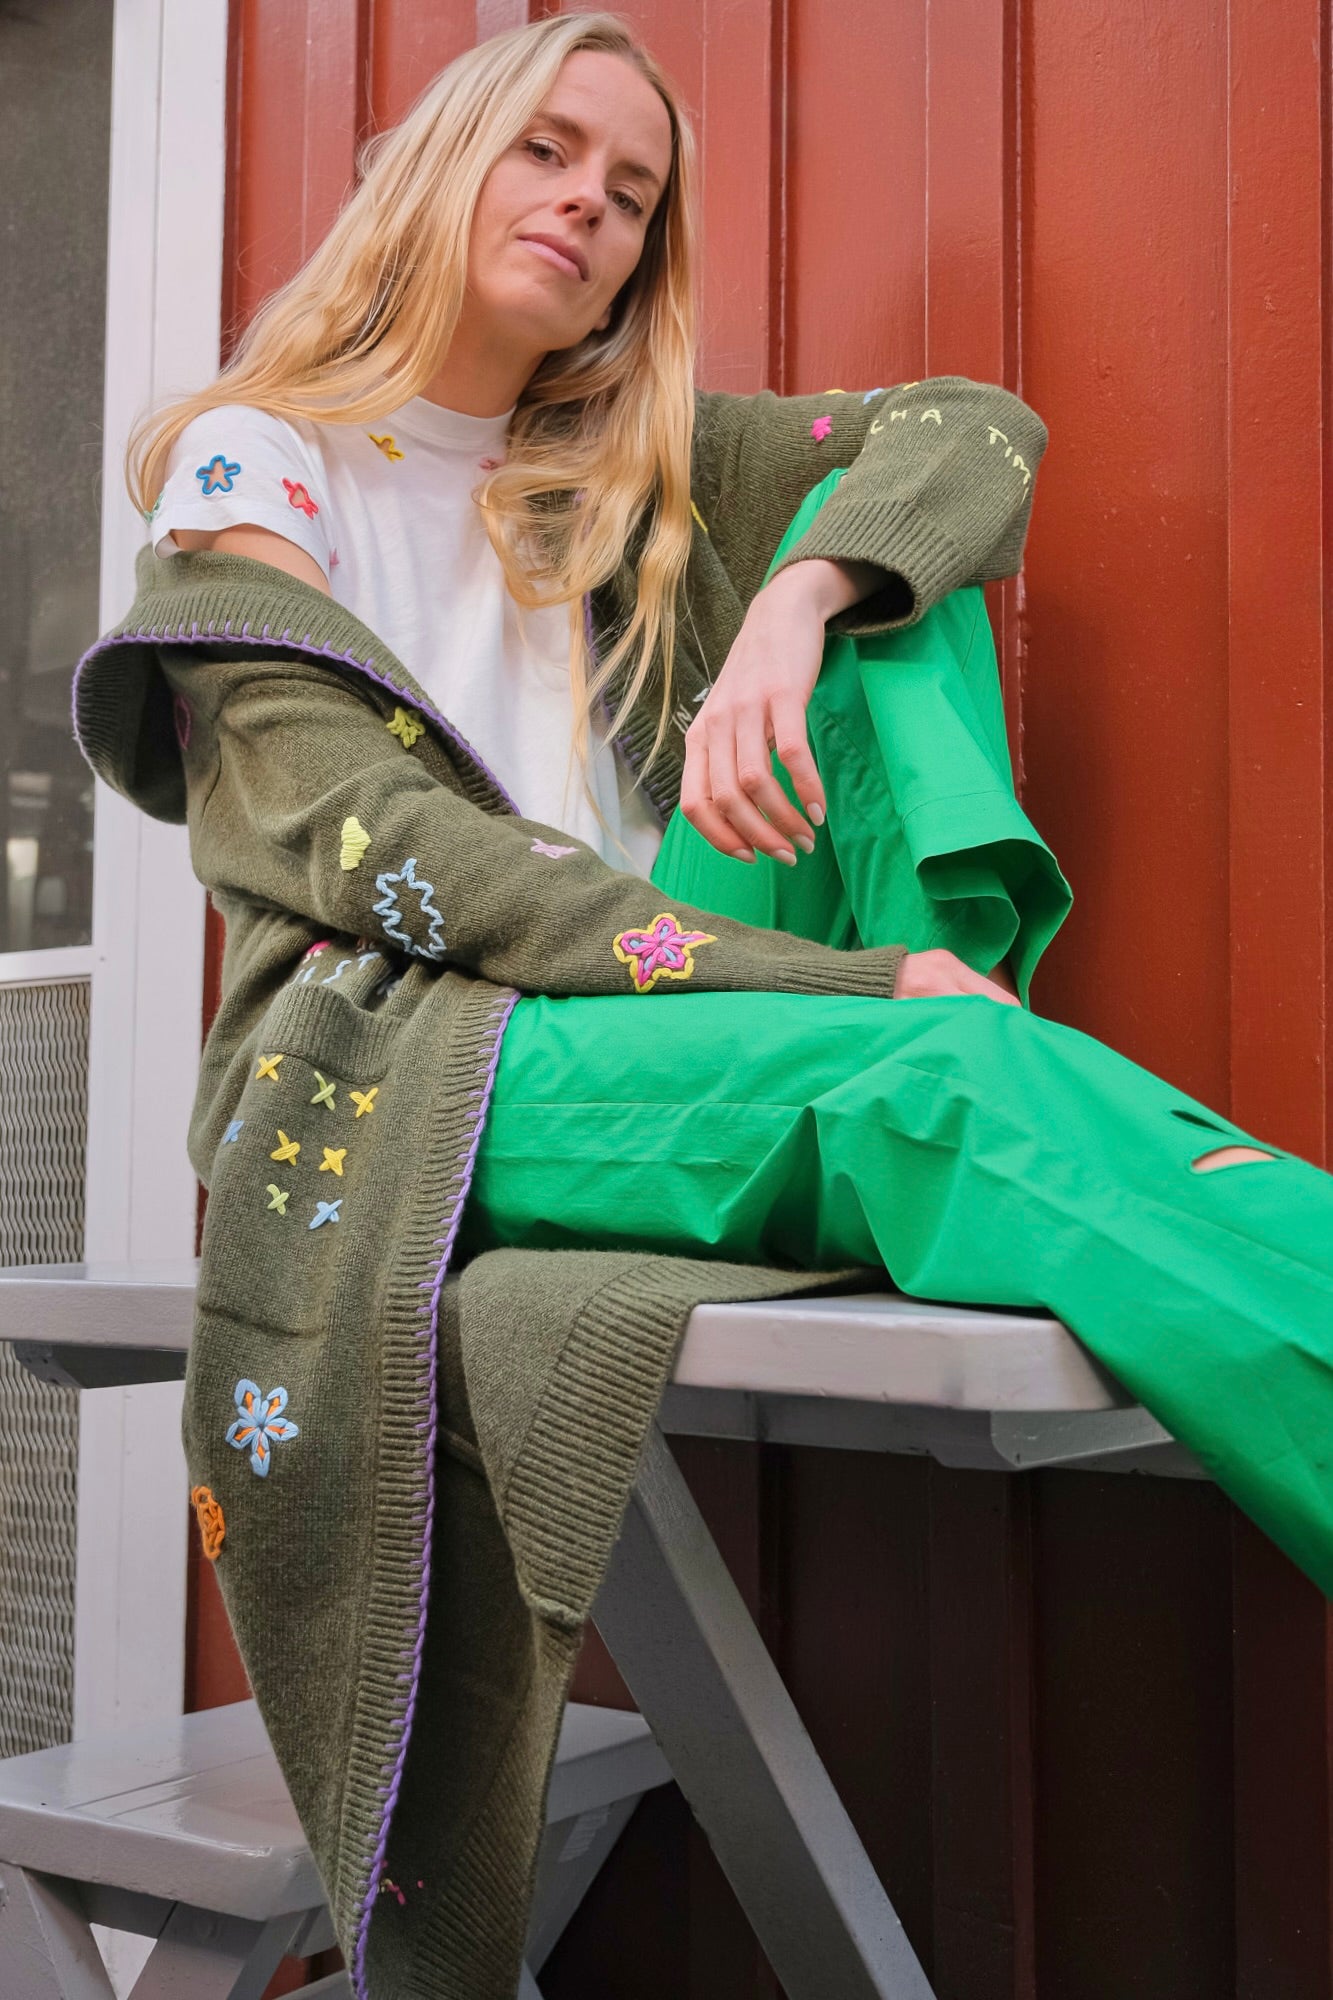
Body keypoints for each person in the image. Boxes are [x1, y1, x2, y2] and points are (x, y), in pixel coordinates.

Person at [73, 13, 1333, 1997]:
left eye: (632, 189)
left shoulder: (608, 483)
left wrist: (789, 601)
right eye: (547, 153)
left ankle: (936, 1024)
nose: (589, 202)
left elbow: (967, 426)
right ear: (441, 162)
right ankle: (932, 1045)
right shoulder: (265, 458)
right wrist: (835, 982)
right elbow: (396, 854)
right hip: (414, 1058)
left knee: (877, 573)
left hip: (660, 998)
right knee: (934, 1077)